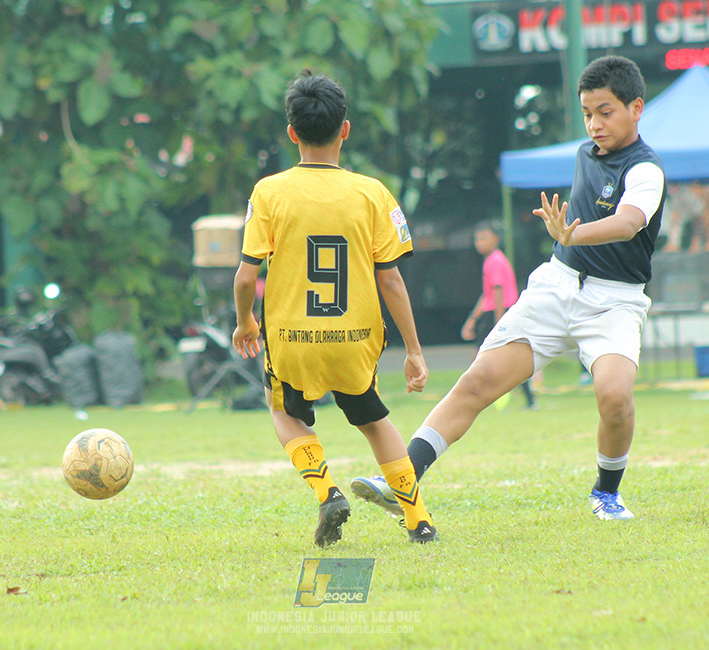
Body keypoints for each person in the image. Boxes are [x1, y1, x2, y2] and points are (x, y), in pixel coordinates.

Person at [352, 55, 665, 521]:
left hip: (614, 302)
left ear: (636, 108)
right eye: (587, 113)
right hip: (557, 287)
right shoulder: (585, 154)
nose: (594, 124)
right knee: (477, 382)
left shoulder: (646, 170)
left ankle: (606, 492)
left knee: (615, 398)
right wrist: (568, 243)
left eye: (605, 111)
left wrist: (573, 233)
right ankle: (403, 481)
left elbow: (627, 223)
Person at [231, 70, 437, 546]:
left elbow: (246, 276)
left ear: (291, 133)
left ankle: (327, 494)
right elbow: (391, 279)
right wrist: (414, 350)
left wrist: (246, 322)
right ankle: (419, 522)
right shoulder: (373, 193)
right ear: (345, 129)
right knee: (373, 420)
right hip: (355, 340)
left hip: (293, 341)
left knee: (286, 414)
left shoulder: (269, 192)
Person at [460, 221, 536, 410]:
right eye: (477, 239)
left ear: (496, 239)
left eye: (484, 238)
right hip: (491, 312)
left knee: (481, 357)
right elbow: (487, 294)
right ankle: (529, 400)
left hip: (497, 312)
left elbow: (498, 292)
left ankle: (472, 398)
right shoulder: (492, 260)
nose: (480, 243)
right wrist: (472, 318)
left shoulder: (495, 260)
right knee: (505, 358)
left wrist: (499, 321)